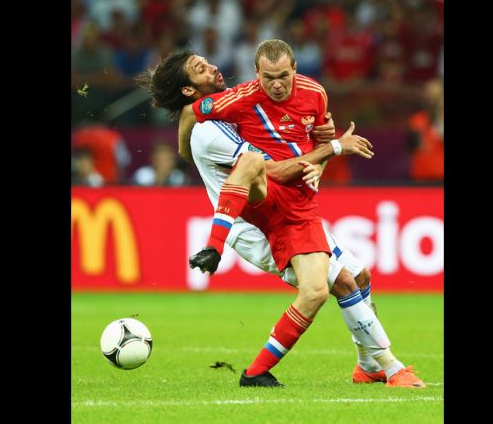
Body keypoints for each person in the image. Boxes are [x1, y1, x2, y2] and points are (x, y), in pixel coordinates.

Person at [136, 43, 424, 389]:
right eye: (201, 69)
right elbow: (269, 169)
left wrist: (321, 154)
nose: (213, 67)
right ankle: (391, 369)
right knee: (334, 285)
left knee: (359, 277)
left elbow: (299, 142)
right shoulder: (210, 130)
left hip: (284, 203)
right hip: (255, 221)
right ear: (188, 89)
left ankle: (368, 366)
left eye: (208, 61)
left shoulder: (233, 110)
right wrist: (330, 149)